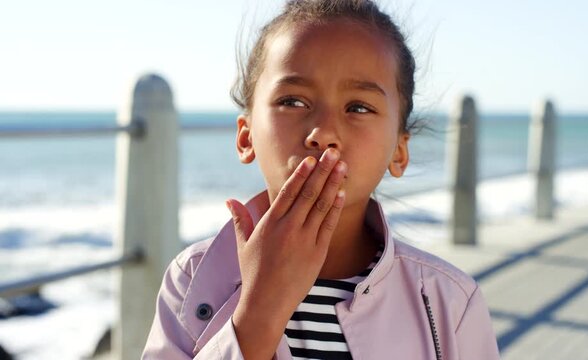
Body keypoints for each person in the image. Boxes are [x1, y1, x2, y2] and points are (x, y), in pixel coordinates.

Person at [143, 0, 500, 359]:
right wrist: (259, 313)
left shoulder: (448, 301)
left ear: (399, 152)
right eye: (293, 101)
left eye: (358, 107)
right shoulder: (193, 279)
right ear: (246, 136)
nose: (323, 132)